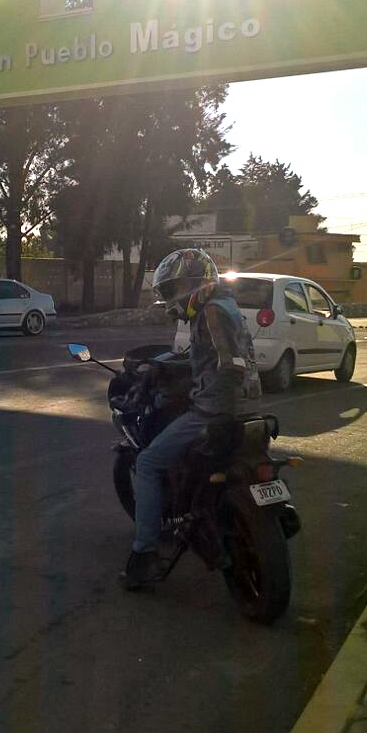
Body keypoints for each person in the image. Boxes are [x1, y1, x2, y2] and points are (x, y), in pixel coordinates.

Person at [121, 248, 249, 590]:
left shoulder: (211, 313)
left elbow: (230, 364)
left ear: (193, 285)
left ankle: (145, 553)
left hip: (214, 411)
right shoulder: (226, 306)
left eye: (172, 290)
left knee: (148, 463)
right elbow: (200, 356)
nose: (170, 300)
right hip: (248, 409)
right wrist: (163, 365)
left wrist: (216, 402)